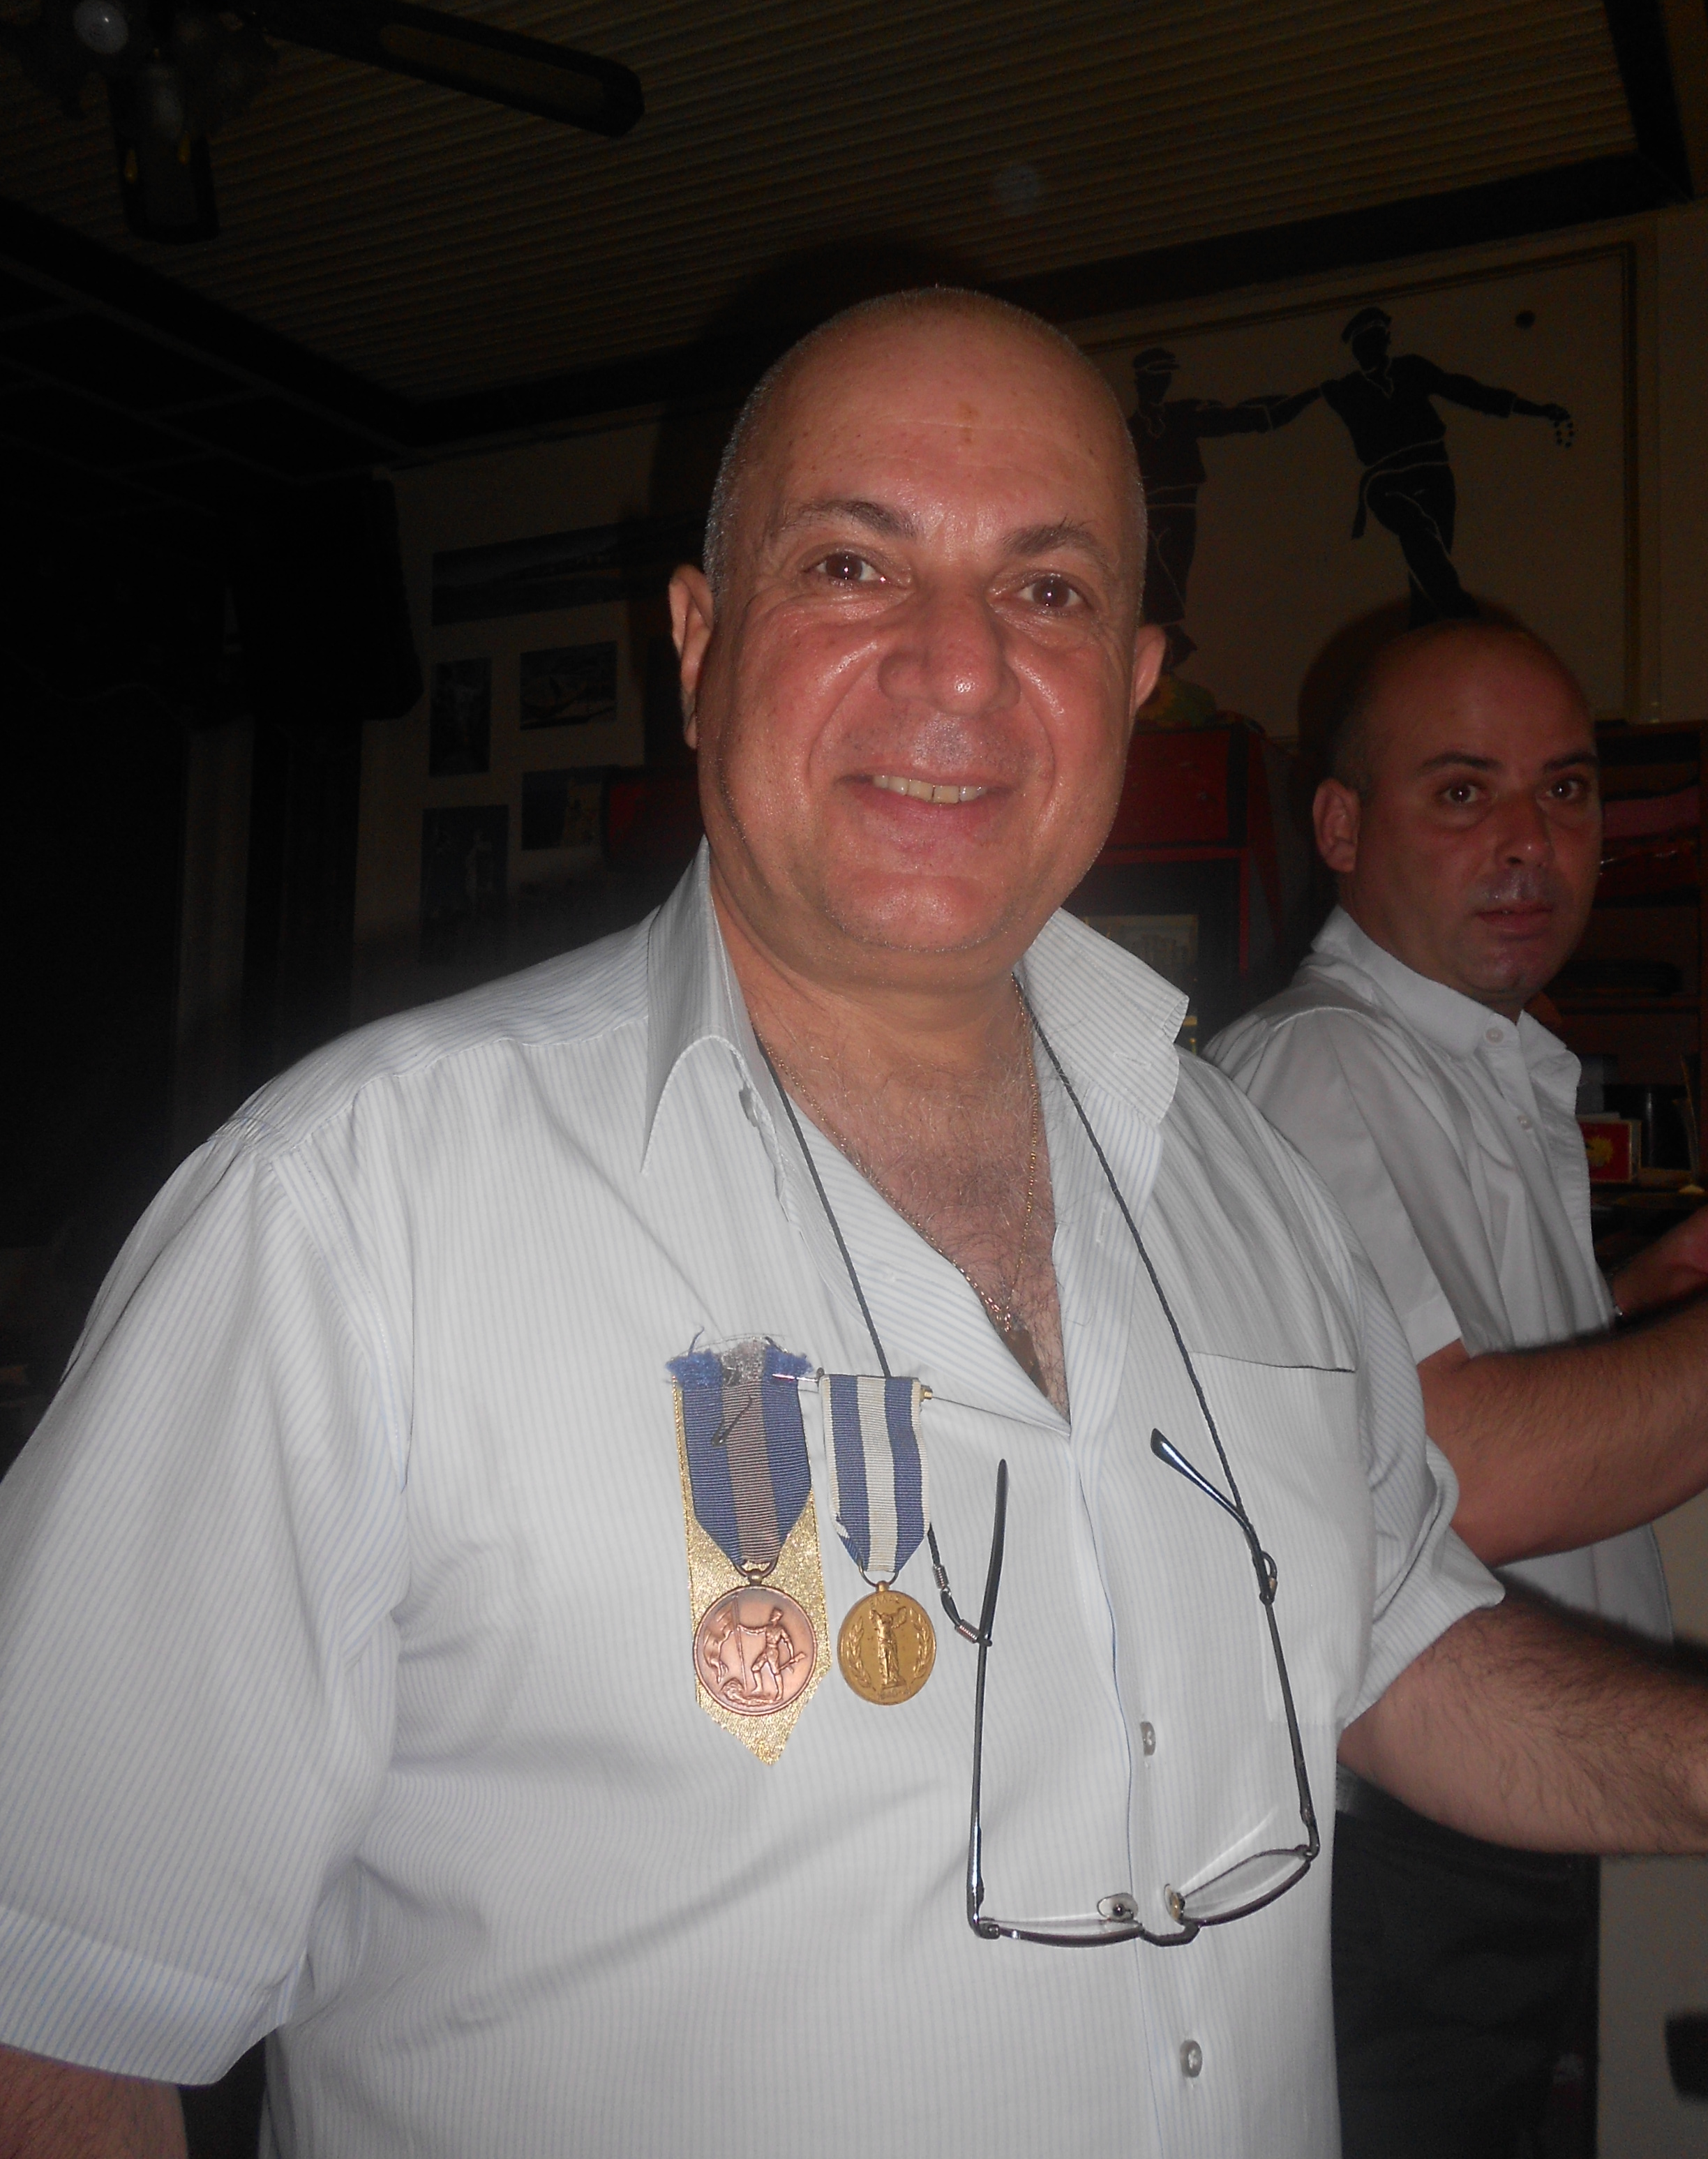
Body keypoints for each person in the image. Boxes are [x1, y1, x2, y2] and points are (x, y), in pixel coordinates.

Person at [3, 297, 1708, 2159]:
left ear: (1135, 681)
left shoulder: (1240, 1175)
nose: (957, 667)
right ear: (696, 644)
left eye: (1046, 590)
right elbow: (51, 2015)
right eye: (849, 565)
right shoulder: (350, 1215)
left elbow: (1385, 1631)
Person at [1208, 618, 1708, 2156]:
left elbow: (1424, 1383)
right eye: (1461, 791)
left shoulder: (1473, 1058)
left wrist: (1623, 1318)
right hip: (1407, 1839)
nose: (1528, 842)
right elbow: (1451, 1471)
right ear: (1339, 826)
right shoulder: (1322, 1065)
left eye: (1563, 789)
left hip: (1502, 1798)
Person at [1318, 308, 1574, 625]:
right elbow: (1286, 405)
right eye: (1366, 342)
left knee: (1429, 563)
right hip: (1386, 481)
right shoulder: (1347, 389)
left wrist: (1534, 410)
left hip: (1433, 473)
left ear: (1385, 341)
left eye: (1378, 338)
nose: (1373, 347)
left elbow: (1467, 392)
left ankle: (1427, 625)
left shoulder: (1410, 368)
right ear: (1357, 349)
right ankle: (1461, 612)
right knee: (1417, 530)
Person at [1126, 344, 1318, 666]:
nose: (1159, 385)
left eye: (1164, 378)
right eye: (1153, 378)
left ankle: (1169, 639)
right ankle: (1167, 639)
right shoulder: (1127, 429)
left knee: (1173, 569)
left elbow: (1240, 417)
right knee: (1155, 573)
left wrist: (1302, 398)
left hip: (1181, 508)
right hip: (1146, 513)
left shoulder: (1183, 415)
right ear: (1140, 382)